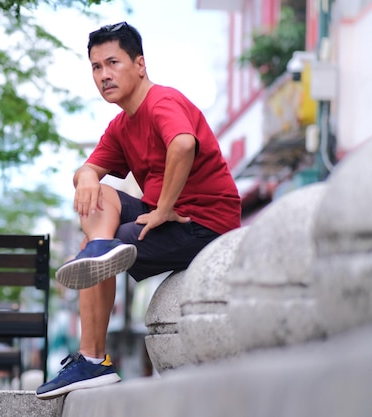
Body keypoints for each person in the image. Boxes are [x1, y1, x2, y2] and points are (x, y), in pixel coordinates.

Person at [36, 22, 241, 399]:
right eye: (96, 67)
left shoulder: (162, 101)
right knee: (99, 206)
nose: (104, 75)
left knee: (106, 245)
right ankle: (98, 254)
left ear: (140, 64)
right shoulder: (121, 125)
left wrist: (163, 209)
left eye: (113, 62)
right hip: (168, 218)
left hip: (206, 225)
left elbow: (182, 144)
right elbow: (90, 170)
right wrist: (84, 178)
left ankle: (93, 360)